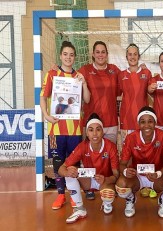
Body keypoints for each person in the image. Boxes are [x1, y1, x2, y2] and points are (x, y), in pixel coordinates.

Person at [40, 41, 91, 210]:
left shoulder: (78, 76)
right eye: (65, 54)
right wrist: (47, 115)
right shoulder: (52, 74)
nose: (68, 57)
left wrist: (83, 83)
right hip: (56, 129)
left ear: (74, 57)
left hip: (75, 129)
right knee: (57, 163)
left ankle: (74, 195)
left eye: (71, 55)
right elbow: (42, 97)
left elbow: (87, 100)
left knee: (73, 164)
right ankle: (61, 194)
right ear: (61, 56)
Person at [115, 106, 163, 218]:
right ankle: (130, 199)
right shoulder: (131, 138)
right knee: (121, 185)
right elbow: (122, 164)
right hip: (137, 176)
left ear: (155, 123)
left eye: (150, 121)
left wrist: (158, 174)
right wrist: (126, 171)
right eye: (143, 122)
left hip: (157, 176)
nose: (146, 125)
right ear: (138, 124)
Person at [58, 113, 119, 223]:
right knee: (70, 172)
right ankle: (79, 208)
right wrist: (67, 172)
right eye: (91, 130)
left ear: (103, 131)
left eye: (98, 129)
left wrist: (106, 179)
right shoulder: (82, 146)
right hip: (88, 180)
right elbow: (61, 168)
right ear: (87, 133)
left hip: (106, 182)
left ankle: (107, 203)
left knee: (108, 205)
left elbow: (116, 175)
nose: (95, 133)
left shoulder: (111, 146)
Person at [79, 41, 121, 144]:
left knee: (110, 156)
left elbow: (128, 79)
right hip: (91, 122)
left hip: (110, 123)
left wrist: (140, 68)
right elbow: (69, 79)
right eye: (97, 52)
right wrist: (58, 70)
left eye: (103, 52)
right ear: (93, 54)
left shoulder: (114, 70)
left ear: (107, 54)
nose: (100, 55)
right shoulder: (85, 70)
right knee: (90, 157)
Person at [118, 43, 152, 142]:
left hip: (143, 120)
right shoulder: (121, 75)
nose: (132, 57)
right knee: (127, 152)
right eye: (130, 54)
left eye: (135, 54)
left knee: (143, 151)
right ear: (126, 57)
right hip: (126, 120)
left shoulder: (146, 73)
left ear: (139, 56)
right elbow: (116, 94)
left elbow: (152, 94)